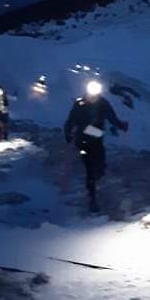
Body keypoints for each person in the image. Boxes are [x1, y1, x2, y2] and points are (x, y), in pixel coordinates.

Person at [63, 80, 128, 212]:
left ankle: (96, 180)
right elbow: (70, 120)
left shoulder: (102, 103)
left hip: (96, 138)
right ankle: (92, 198)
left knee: (100, 166)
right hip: (83, 140)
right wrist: (68, 134)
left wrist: (121, 125)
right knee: (90, 169)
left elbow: (112, 117)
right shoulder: (80, 103)